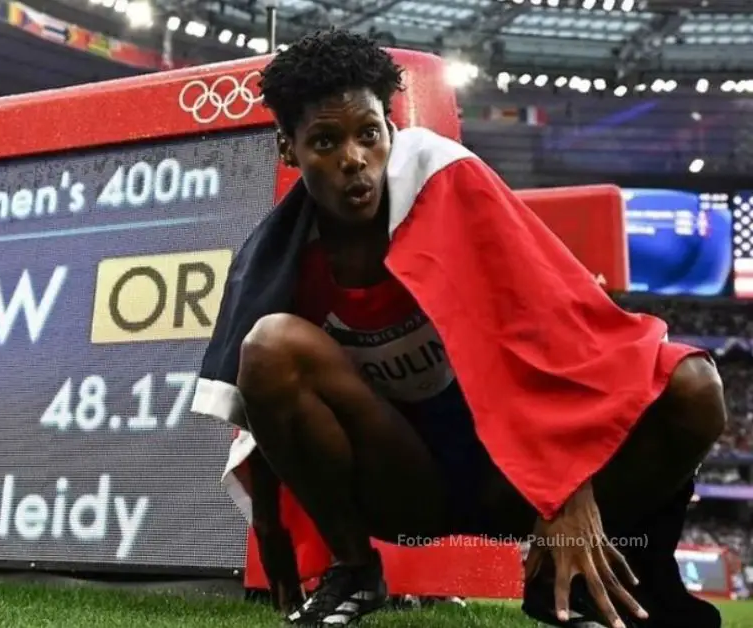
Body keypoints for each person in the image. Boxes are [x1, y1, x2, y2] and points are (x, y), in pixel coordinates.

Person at [189, 29, 726, 628]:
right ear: (288, 150)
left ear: (390, 130)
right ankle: (354, 571)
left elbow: (557, 333)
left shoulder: (447, 181)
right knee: (269, 345)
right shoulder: (279, 254)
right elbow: (260, 404)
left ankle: (568, 582)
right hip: (407, 484)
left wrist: (569, 488)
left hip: (515, 475)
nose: (353, 159)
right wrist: (269, 524)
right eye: (324, 141)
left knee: (695, 387)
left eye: (370, 134)